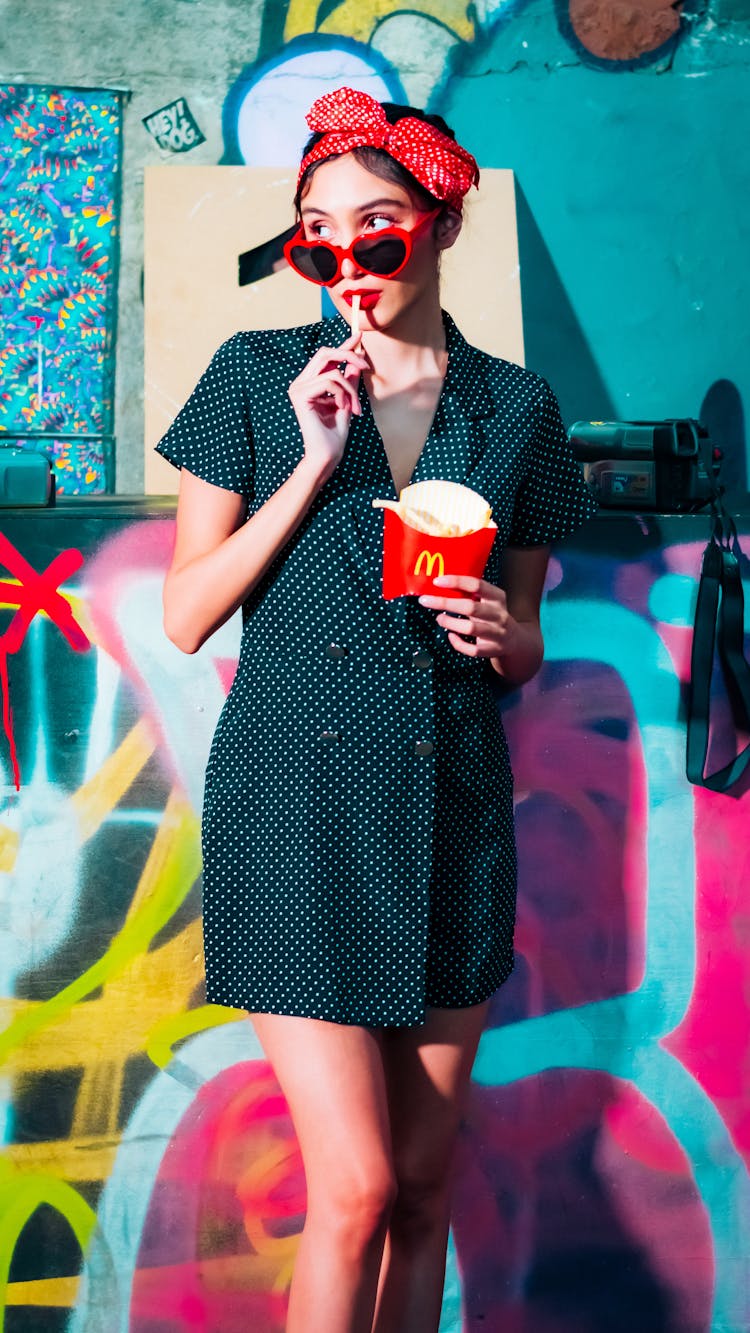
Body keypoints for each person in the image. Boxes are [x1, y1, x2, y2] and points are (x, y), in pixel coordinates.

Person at [155, 85, 598, 1333]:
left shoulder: (515, 409)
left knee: (418, 1184)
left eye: (379, 230)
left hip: (451, 808)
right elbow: (186, 615)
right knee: (349, 1188)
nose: (346, 263)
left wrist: (510, 637)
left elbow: (523, 638)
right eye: (317, 236)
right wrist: (306, 462)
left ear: (443, 226)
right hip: (296, 813)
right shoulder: (254, 376)